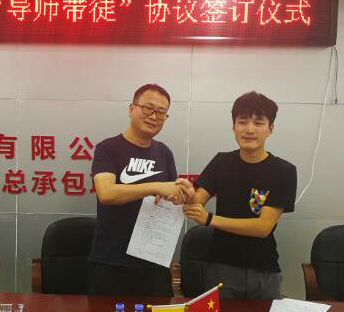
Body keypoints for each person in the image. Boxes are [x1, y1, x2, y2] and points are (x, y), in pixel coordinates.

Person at [179, 91, 297, 299]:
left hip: (264, 270)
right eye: (242, 122)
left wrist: (210, 219)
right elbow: (196, 203)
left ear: (270, 129)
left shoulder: (284, 171)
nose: (249, 129)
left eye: (258, 123)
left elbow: (262, 227)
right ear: (233, 126)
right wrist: (187, 194)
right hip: (220, 268)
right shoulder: (221, 163)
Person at [89, 83, 184, 297]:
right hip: (111, 261)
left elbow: (170, 196)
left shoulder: (164, 153)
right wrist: (155, 186)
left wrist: (181, 192)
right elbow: (106, 193)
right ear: (131, 108)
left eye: (161, 112)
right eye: (148, 108)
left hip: (154, 261)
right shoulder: (108, 148)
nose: (154, 116)